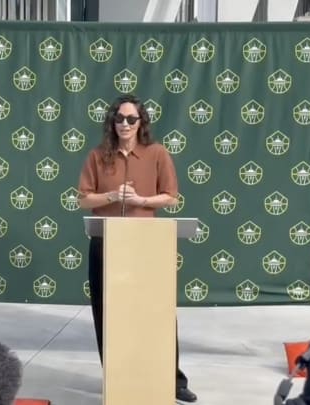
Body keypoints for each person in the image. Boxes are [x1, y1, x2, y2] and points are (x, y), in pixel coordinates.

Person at [77, 94, 197, 403]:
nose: (125, 124)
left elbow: (170, 196)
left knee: (157, 313)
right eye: (120, 119)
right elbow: (84, 199)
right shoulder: (97, 156)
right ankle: (117, 378)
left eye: (131, 119)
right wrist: (114, 195)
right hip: (105, 243)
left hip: (146, 245)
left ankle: (173, 381)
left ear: (141, 123)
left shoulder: (157, 154)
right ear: (112, 123)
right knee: (107, 313)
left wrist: (140, 201)